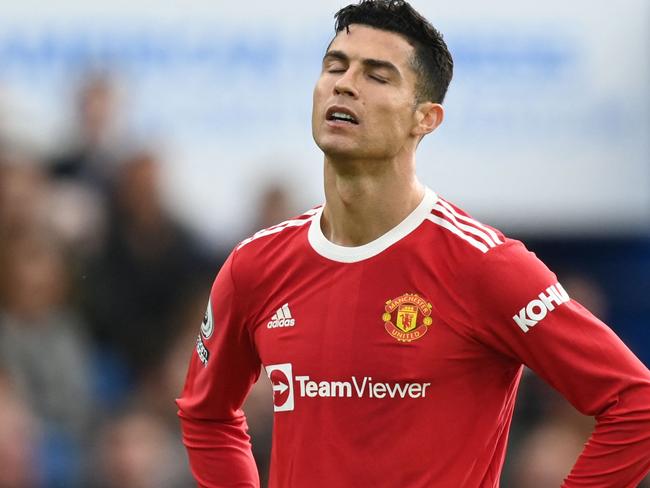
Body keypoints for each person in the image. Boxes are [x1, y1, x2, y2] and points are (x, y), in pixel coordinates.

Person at [177, 1, 650, 486]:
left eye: (377, 76)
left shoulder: (483, 265)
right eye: (335, 66)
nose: (344, 83)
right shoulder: (255, 265)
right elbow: (206, 414)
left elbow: (636, 403)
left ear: (426, 118)